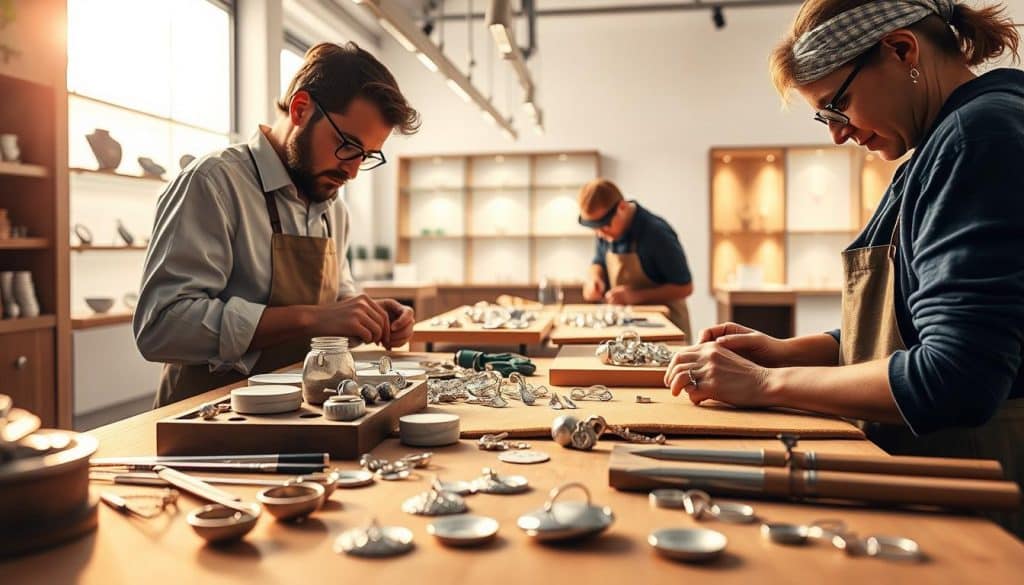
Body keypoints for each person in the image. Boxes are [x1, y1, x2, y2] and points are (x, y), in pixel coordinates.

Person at [665, 0, 1024, 536]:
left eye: (839, 105)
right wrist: (790, 350)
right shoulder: (944, 143)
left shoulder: (978, 138)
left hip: (973, 490)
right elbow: (911, 325)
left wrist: (766, 382)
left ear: (902, 50)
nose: (837, 134)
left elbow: (957, 376)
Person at [134, 42, 420, 407]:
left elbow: (334, 303)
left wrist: (369, 315)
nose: (351, 170)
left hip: (299, 417)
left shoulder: (333, 208)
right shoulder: (214, 183)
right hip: (208, 423)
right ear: (301, 109)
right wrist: (309, 319)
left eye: (365, 156)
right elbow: (161, 327)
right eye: (347, 145)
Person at [577, 178, 694, 341]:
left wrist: (635, 296)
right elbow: (598, 261)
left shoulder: (657, 234)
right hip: (629, 331)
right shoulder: (604, 232)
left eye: (603, 225)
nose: (599, 234)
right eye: (593, 227)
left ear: (622, 207)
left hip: (667, 330)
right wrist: (594, 278)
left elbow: (685, 287)